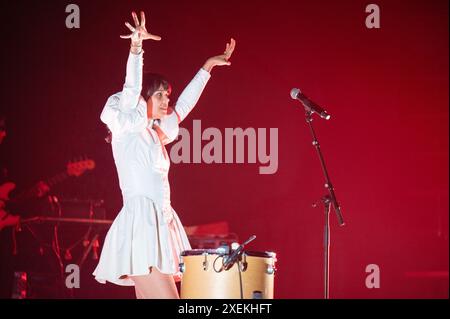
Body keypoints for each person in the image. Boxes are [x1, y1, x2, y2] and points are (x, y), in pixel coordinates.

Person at [92, 11, 235, 299]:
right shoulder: (126, 128)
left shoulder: (155, 134)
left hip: (160, 226)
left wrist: (207, 67)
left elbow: (184, 105)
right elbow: (130, 89)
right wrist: (136, 49)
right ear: (143, 99)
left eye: (166, 96)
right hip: (142, 228)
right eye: (159, 95)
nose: (166, 100)